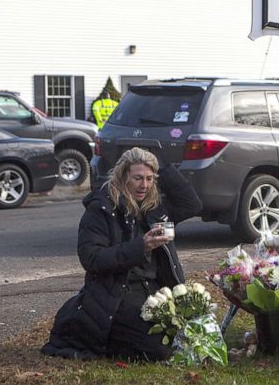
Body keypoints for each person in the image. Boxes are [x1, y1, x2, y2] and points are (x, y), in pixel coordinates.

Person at [41, 147, 202, 361]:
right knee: (159, 350)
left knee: (192, 333)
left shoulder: (154, 207)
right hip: (117, 293)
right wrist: (140, 246)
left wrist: (161, 163)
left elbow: (192, 204)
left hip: (155, 290)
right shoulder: (101, 209)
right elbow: (92, 258)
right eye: (137, 178)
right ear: (123, 176)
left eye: (149, 178)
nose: (144, 185)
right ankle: (114, 340)